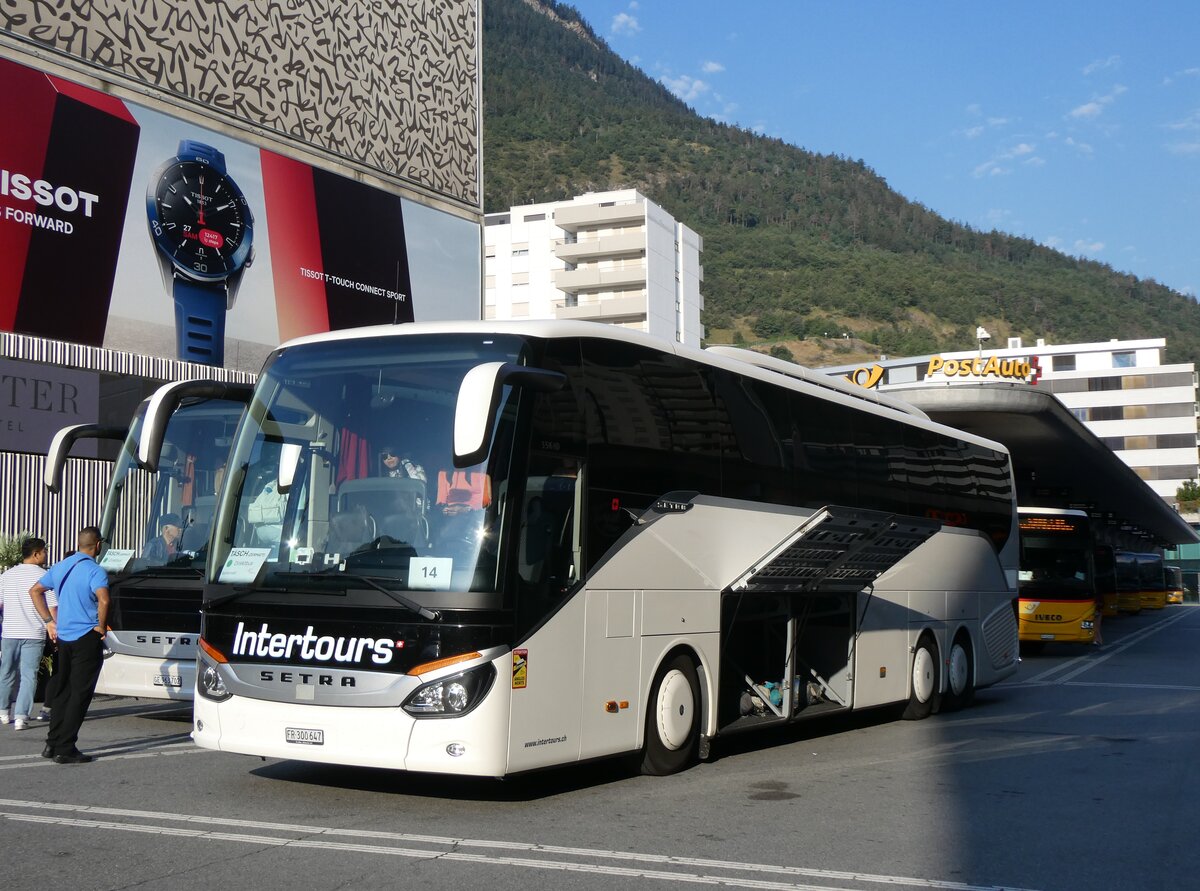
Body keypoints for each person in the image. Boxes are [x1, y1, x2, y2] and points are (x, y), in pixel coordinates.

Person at [28, 527, 110, 764]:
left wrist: (49, 622)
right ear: (97, 546)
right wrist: (101, 627)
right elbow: (104, 599)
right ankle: (66, 747)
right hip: (86, 635)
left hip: (64, 636)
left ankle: (52, 743)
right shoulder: (95, 570)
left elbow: (35, 591)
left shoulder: (61, 566)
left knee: (63, 690)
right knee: (80, 693)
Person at [0, 538, 55, 731]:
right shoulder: (45, 575)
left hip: (10, 632)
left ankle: (4, 711)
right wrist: (53, 626)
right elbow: (52, 606)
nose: (46, 555)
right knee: (29, 676)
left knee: (6, 672)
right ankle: (22, 717)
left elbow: (0, 603)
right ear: (36, 554)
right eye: (44, 551)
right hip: (35, 632)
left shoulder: (8, 575)